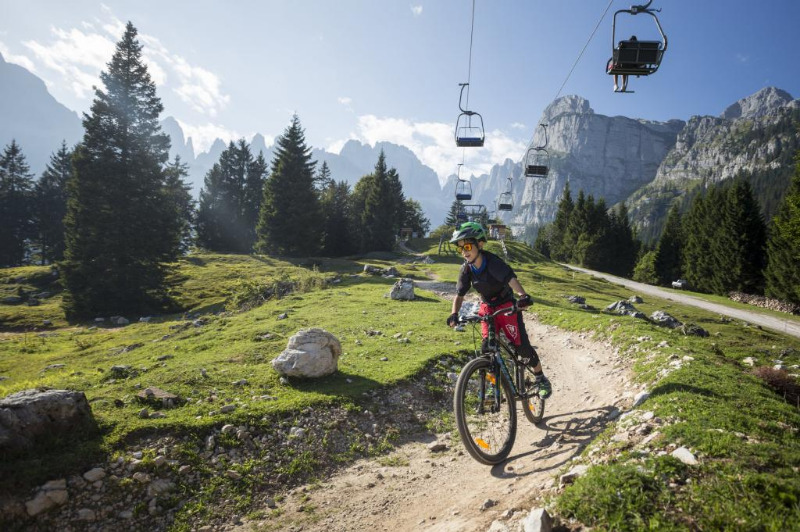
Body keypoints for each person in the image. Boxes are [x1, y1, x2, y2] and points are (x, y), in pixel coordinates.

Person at [446, 222, 552, 398]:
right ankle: (492, 385)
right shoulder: (466, 269)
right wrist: (454, 314)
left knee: (522, 347)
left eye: (467, 247)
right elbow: (459, 294)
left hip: (507, 306)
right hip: (488, 308)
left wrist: (523, 296)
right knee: (487, 348)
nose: (464, 252)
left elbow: (511, 279)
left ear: (480, 244)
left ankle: (541, 378)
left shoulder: (493, 262)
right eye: (460, 249)